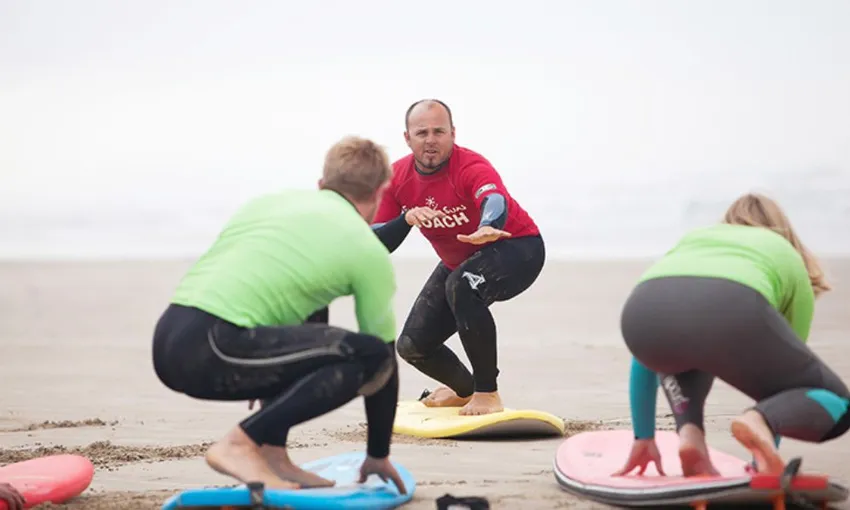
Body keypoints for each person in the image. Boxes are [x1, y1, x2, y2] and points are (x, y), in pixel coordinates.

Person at [151, 136, 407, 495]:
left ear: (322, 185)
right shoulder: (366, 249)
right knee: (368, 354)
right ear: (381, 192)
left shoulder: (268, 204)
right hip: (219, 347)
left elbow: (283, 306)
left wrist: (268, 365)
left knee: (313, 317)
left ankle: (273, 455)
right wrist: (378, 452)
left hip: (170, 337)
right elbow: (383, 362)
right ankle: (240, 445)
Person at [614, 192, 849, 478]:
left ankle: (691, 437)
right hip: (734, 306)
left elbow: (645, 358)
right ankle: (758, 421)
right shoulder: (785, 252)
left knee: (674, 348)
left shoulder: (698, 240)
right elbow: (787, 387)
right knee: (838, 403)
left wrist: (644, 437)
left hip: (641, 312)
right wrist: (761, 448)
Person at [370, 99, 545, 416]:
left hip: (518, 249)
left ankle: (487, 393)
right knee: (413, 346)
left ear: (453, 133)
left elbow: (493, 197)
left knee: (462, 285)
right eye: (422, 132)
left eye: (439, 131)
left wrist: (490, 224)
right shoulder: (396, 178)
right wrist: (406, 219)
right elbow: (375, 241)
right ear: (407, 138)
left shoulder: (469, 165)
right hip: (461, 263)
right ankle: (465, 391)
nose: (431, 139)